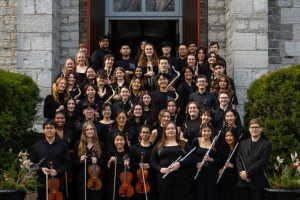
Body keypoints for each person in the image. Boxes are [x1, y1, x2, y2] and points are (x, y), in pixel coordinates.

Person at [150, 122, 193, 200]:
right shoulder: (159, 144)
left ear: (176, 130)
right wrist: (160, 169)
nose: (170, 130)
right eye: (168, 129)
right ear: (165, 131)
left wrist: (180, 163)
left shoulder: (183, 143)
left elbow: (191, 158)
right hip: (164, 179)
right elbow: (152, 161)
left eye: (172, 128)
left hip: (181, 179)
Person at [30, 119, 71, 200]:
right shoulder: (37, 146)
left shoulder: (63, 146)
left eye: (51, 128)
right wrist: (41, 169)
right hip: (42, 181)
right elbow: (32, 164)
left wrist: (57, 171)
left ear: (55, 130)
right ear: (44, 130)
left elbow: (68, 164)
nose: (49, 130)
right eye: (47, 128)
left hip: (58, 180)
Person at [236, 118, 272, 200]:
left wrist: (247, 173)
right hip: (243, 182)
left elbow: (262, 161)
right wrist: (242, 174)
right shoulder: (243, 143)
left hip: (257, 182)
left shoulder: (266, 144)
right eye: (252, 127)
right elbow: (238, 159)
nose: (254, 129)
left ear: (261, 128)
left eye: (256, 127)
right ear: (249, 129)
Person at [73, 122, 105, 200]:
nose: (89, 131)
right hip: (82, 176)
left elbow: (104, 161)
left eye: (91, 129)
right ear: (84, 132)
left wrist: (97, 161)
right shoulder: (78, 144)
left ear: (94, 130)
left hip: (96, 177)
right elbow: (73, 161)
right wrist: (80, 160)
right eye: (87, 129)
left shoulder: (100, 144)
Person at [192, 123, 220, 200]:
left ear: (211, 132)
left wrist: (212, 160)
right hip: (200, 171)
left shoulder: (215, 143)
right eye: (204, 131)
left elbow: (220, 160)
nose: (206, 133)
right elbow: (191, 155)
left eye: (208, 131)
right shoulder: (196, 141)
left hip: (212, 171)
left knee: (211, 193)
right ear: (201, 131)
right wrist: (196, 163)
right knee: (200, 193)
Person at [130, 125, 155, 200]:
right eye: (143, 132)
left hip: (150, 178)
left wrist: (150, 165)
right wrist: (138, 164)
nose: (145, 134)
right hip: (137, 179)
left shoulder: (154, 148)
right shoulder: (134, 148)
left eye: (147, 132)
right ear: (140, 134)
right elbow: (131, 162)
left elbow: (157, 162)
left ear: (150, 134)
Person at [106, 132, 131, 200]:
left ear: (125, 141)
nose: (119, 142)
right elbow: (106, 169)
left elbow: (132, 169)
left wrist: (128, 166)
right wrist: (110, 162)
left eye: (121, 140)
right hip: (113, 181)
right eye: (117, 140)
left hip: (125, 182)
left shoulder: (128, 153)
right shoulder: (110, 153)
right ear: (114, 142)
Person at [218, 126, 240, 200]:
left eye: (231, 135)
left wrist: (233, 166)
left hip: (235, 177)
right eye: (226, 136)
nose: (229, 138)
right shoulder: (222, 147)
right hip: (224, 177)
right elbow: (219, 161)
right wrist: (219, 169)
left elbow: (243, 164)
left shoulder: (240, 148)